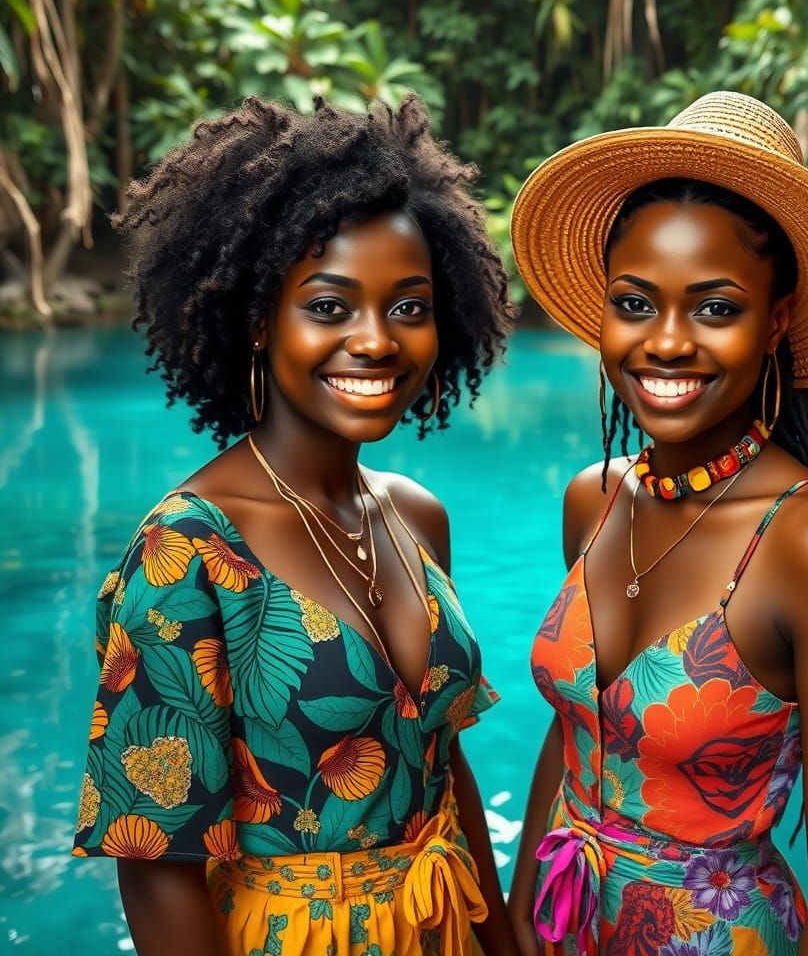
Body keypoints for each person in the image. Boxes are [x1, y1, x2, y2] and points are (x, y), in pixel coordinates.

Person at [71, 95, 517, 956]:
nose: (378, 341)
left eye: (409, 306)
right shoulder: (186, 553)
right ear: (257, 318)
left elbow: (442, 770)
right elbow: (155, 867)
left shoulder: (416, 517)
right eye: (329, 306)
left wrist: (501, 943)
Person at [506, 91, 808, 955]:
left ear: (778, 320)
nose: (667, 343)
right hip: (561, 924)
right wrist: (520, 909)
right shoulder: (595, 499)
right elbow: (576, 729)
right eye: (637, 303)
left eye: (715, 308)